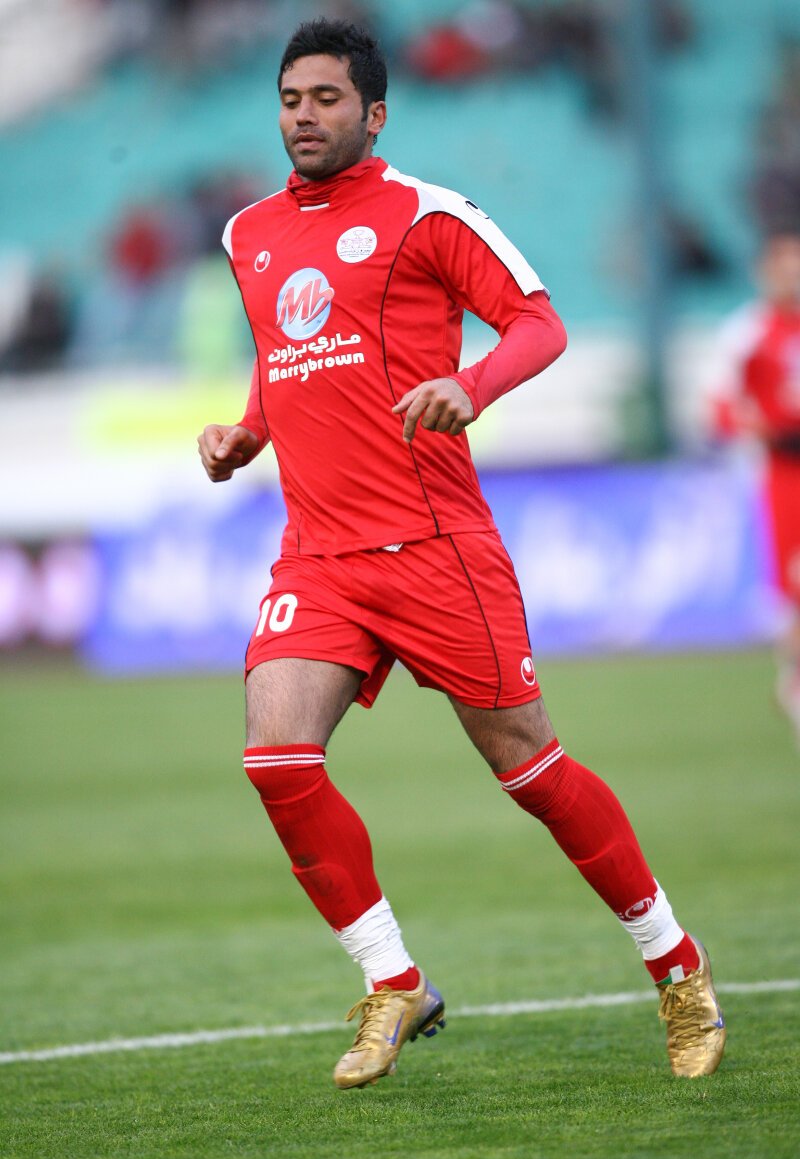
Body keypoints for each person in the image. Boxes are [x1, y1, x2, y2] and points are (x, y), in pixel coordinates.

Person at [197, 17, 725, 1089]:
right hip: (319, 556)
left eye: (327, 99)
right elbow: (283, 350)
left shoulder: (426, 215)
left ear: (375, 113)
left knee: (530, 769)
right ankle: (392, 980)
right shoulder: (249, 233)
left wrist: (469, 386)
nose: (304, 117)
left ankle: (677, 968)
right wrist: (248, 430)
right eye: (291, 100)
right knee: (276, 757)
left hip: (434, 546)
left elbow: (537, 322)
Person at [710, 232, 800, 737]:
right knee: (793, 583)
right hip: (782, 471)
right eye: (783, 265)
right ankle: (794, 679)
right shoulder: (748, 331)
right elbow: (720, 404)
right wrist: (754, 427)